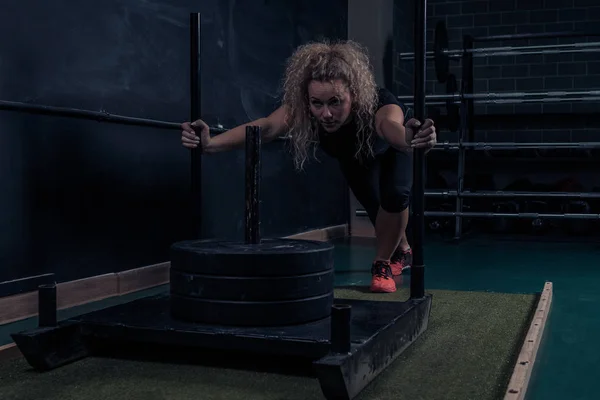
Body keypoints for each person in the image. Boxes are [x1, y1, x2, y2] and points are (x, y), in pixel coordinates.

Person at [180, 40, 437, 294]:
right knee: (373, 205)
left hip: (395, 149)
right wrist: (210, 143)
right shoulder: (304, 109)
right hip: (355, 157)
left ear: (354, 94)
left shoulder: (380, 104)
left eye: (335, 102)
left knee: (395, 194)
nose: (326, 114)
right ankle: (402, 249)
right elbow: (267, 128)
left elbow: (389, 128)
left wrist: (410, 139)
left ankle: (381, 264)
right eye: (318, 103)